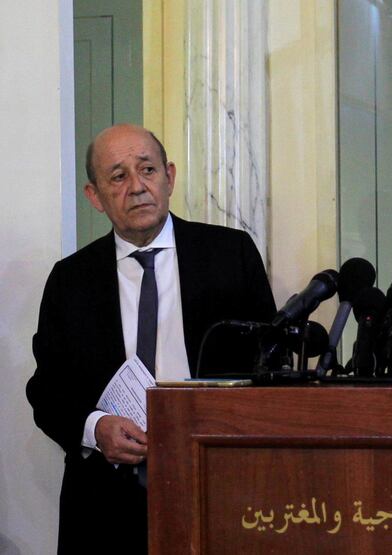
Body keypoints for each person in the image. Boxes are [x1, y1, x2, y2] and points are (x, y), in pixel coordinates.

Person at [27, 124, 277, 554]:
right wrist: (96, 427)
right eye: (118, 176)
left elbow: (271, 365)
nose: (137, 187)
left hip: (218, 484)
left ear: (170, 177)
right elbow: (47, 391)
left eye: (147, 170)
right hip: (107, 503)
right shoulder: (71, 279)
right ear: (95, 197)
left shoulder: (230, 254)